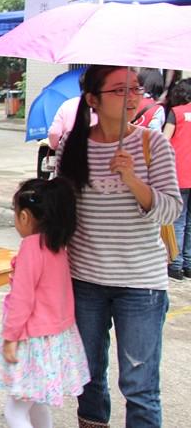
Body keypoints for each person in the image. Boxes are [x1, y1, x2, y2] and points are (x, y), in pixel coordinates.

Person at [56, 65, 182, 428]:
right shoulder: (73, 144)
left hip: (141, 284)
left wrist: (132, 179)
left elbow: (170, 209)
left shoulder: (151, 143)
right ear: (93, 100)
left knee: (139, 384)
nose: (132, 97)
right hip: (85, 279)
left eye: (136, 89)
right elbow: (63, 208)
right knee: (89, 377)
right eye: (119, 90)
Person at [0, 177, 89, 428]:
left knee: (15, 411)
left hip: (31, 340)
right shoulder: (57, 245)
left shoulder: (31, 248)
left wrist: (11, 338)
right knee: (36, 401)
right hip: (55, 337)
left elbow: (22, 300)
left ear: (24, 217)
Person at [163, 78, 191, 280]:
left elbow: (163, 141)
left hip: (180, 173)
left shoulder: (177, 113)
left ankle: (176, 264)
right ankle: (189, 264)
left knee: (178, 220)